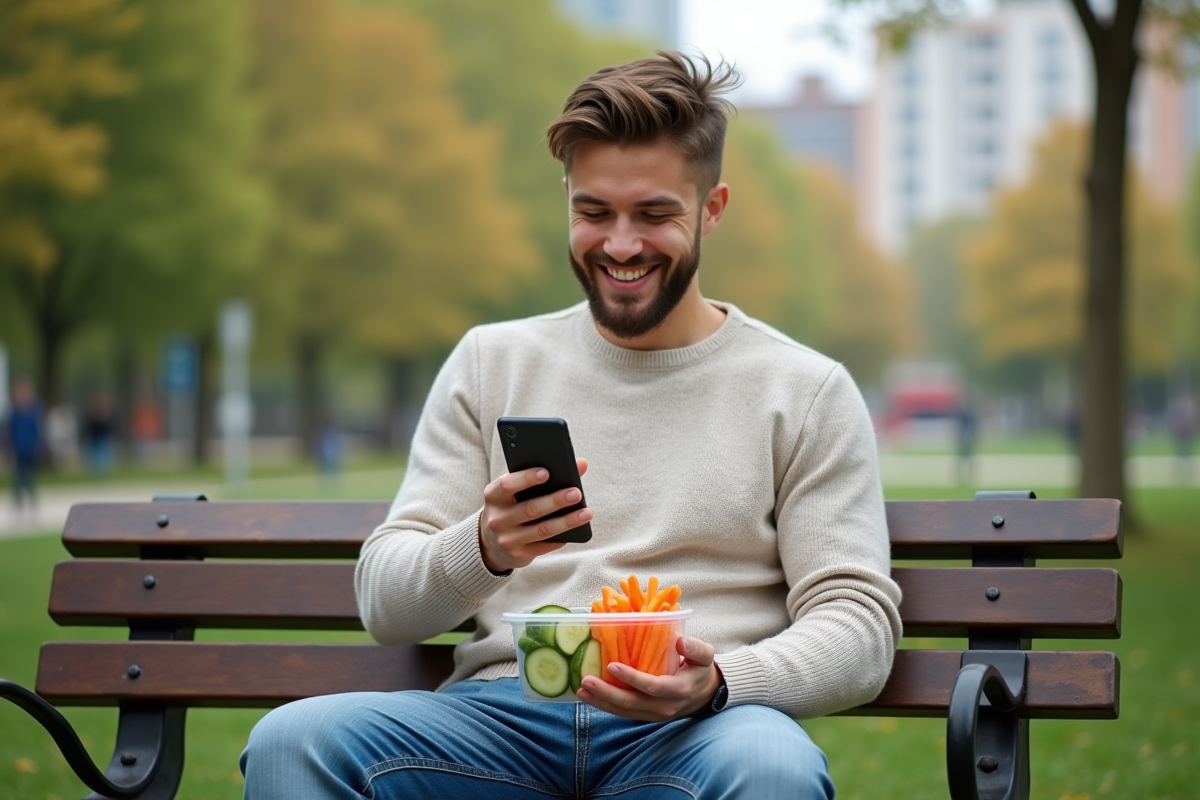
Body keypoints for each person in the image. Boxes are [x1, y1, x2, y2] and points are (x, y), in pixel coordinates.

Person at [241, 52, 902, 799]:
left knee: (772, 768)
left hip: (701, 731)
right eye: (594, 213)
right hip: (499, 721)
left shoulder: (803, 390)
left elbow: (857, 625)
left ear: (711, 209)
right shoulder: (491, 362)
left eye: (655, 215)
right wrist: (483, 548)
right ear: (566, 199)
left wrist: (720, 680)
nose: (620, 245)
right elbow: (387, 607)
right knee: (293, 744)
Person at [5, 378, 42, 512]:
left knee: (29, 476)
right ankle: (18, 503)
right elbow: (9, 431)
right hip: (18, 448)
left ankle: (32, 500)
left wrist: (38, 445)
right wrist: (10, 447)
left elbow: (37, 430)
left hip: (30, 448)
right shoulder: (14, 411)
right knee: (18, 477)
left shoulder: (34, 410)